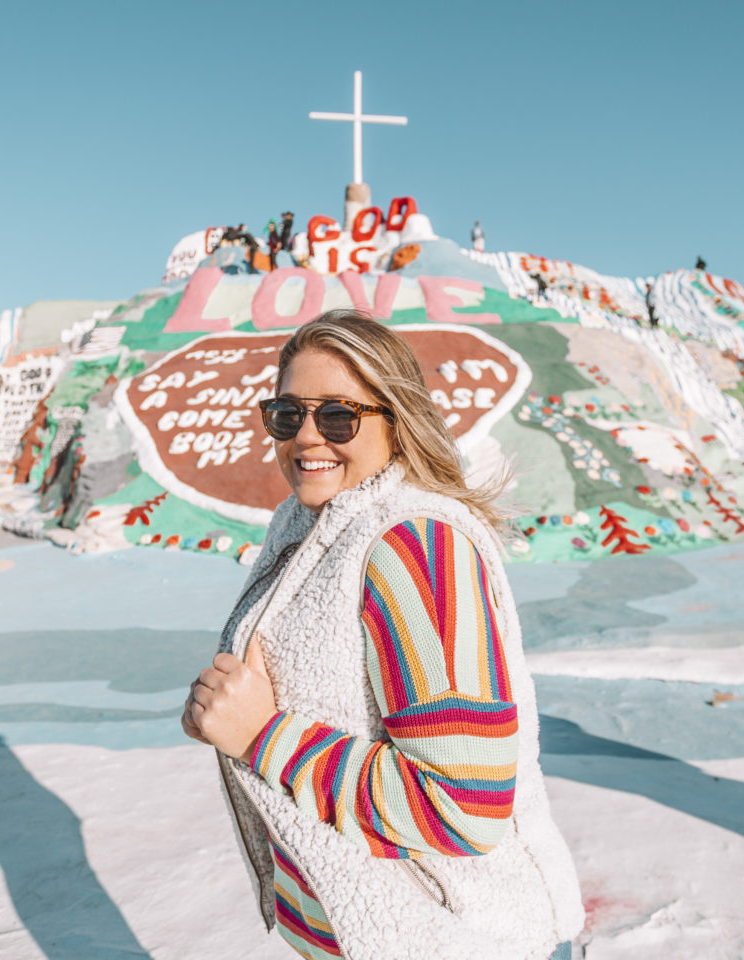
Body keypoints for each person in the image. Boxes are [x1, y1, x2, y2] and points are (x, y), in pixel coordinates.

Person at [182, 310, 583, 960]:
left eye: (338, 415)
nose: (307, 435)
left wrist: (262, 736)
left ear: (396, 421)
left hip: (464, 938)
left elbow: (463, 804)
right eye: (287, 415)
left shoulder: (414, 544)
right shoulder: (313, 523)